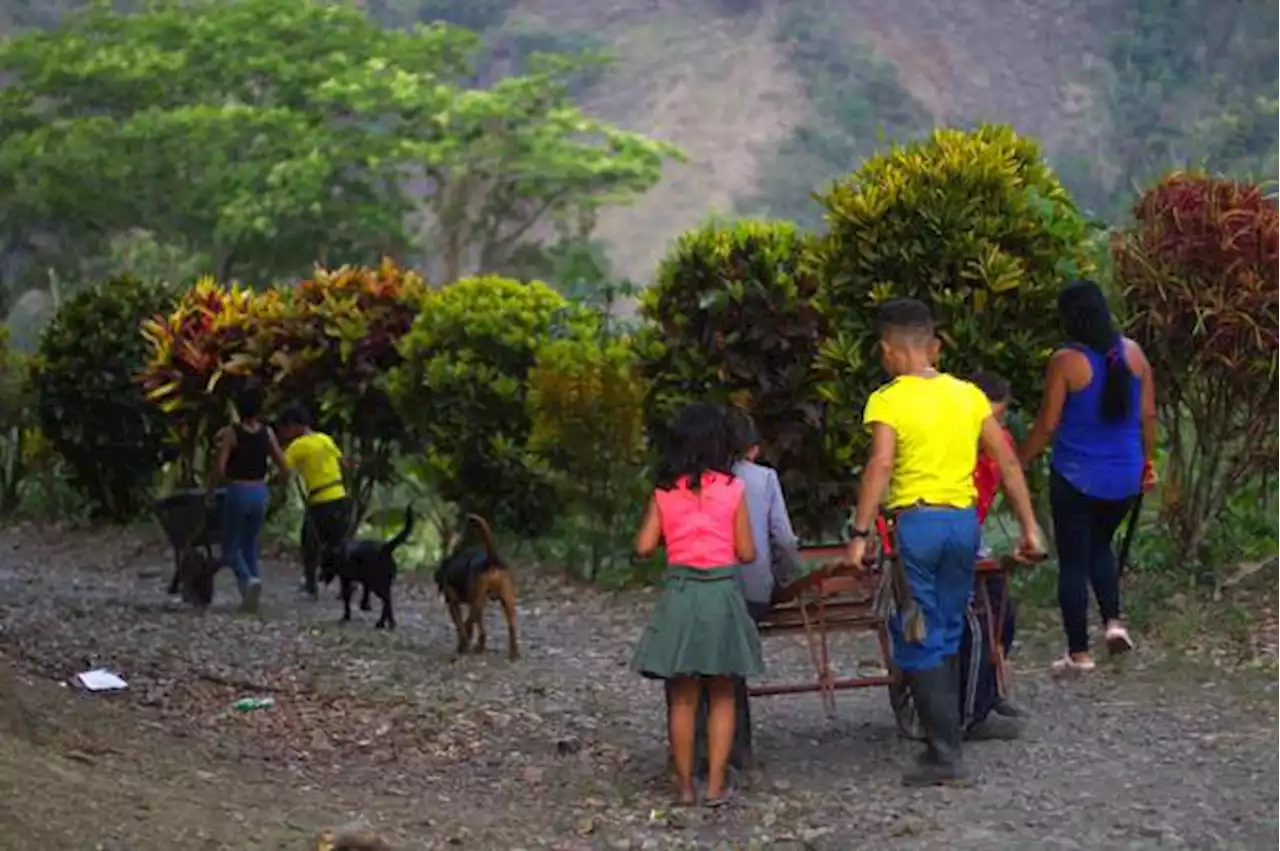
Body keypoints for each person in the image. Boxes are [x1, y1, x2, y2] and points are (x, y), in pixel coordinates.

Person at [843, 298, 1042, 786]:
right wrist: (1030, 526)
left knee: (914, 632)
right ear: (931, 345)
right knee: (949, 626)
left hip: (918, 527)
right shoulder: (968, 396)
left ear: (889, 350)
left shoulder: (888, 399)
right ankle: (948, 741)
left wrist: (860, 532)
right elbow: (1009, 462)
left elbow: (882, 465)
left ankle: (944, 754)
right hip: (962, 525)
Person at [1018, 279, 1157, 673]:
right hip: (1125, 477)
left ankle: (1078, 652)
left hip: (1076, 477)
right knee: (1100, 545)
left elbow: (1047, 423)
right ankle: (1114, 623)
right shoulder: (1134, 355)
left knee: (1074, 562)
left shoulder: (1066, 361)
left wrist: (1018, 461)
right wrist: (1146, 462)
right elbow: (1148, 416)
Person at [632, 402, 763, 807]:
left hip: (682, 594)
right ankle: (716, 785)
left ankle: (685, 786)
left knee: (682, 697)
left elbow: (642, 546)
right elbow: (746, 551)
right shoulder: (733, 490)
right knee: (723, 693)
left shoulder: (665, 492)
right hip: (721, 595)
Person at [959, 370, 1024, 735]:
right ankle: (972, 713)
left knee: (1004, 612)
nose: (993, 427)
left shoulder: (1001, 445)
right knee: (976, 622)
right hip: (953, 534)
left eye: (998, 418)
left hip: (976, 535)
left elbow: (1010, 486)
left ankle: (989, 684)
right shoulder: (952, 448)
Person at [207, 382, 289, 613]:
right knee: (250, 544)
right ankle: (250, 593)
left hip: (239, 490)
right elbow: (284, 466)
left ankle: (248, 580)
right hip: (259, 491)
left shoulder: (232, 433)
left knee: (231, 548)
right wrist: (279, 488)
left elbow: (219, 468)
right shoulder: (268, 433)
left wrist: (212, 491)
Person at [276, 406, 351, 599]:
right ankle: (346, 587)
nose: (285, 434)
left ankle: (311, 585)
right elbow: (343, 463)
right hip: (340, 496)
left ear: (293, 426)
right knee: (339, 544)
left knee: (309, 542)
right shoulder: (325, 439)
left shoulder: (298, 446)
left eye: (286, 429)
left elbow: (283, 468)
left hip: (321, 500)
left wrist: (280, 490)